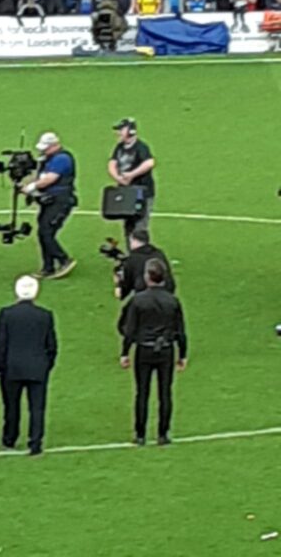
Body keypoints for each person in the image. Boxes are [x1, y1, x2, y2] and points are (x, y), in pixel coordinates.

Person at [119, 259, 188, 446]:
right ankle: (163, 433)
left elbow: (130, 329)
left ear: (147, 277)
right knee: (165, 392)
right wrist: (182, 354)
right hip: (166, 350)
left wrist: (125, 352)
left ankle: (140, 434)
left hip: (144, 349)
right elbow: (180, 330)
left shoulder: (138, 300)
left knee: (142, 392)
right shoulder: (172, 301)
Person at [0, 276, 58, 456]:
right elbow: (51, 345)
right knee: (37, 407)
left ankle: (10, 438)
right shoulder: (45, 315)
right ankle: (36, 442)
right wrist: (46, 365)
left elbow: (1, 343)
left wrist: (0, 366)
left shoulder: (6, 314)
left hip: (12, 366)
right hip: (38, 367)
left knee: (11, 406)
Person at [23, 132, 77, 280]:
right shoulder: (49, 159)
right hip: (50, 201)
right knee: (44, 232)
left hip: (60, 201)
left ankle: (64, 260)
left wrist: (31, 187)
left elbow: (50, 179)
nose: (43, 151)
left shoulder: (62, 159)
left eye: (46, 148)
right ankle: (48, 267)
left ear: (55, 145)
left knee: (46, 232)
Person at [107, 118, 156, 241]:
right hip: (126, 192)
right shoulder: (119, 147)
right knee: (128, 227)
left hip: (141, 192)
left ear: (131, 131)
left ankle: (141, 255)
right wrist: (118, 177)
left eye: (121, 130)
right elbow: (112, 163)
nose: (118, 133)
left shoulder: (141, 147)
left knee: (140, 227)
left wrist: (131, 175)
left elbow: (149, 163)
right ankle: (132, 256)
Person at [115, 229, 175, 300]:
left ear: (134, 241)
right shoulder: (159, 253)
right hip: (166, 292)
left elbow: (127, 284)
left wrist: (119, 286)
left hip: (145, 295)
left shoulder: (133, 258)